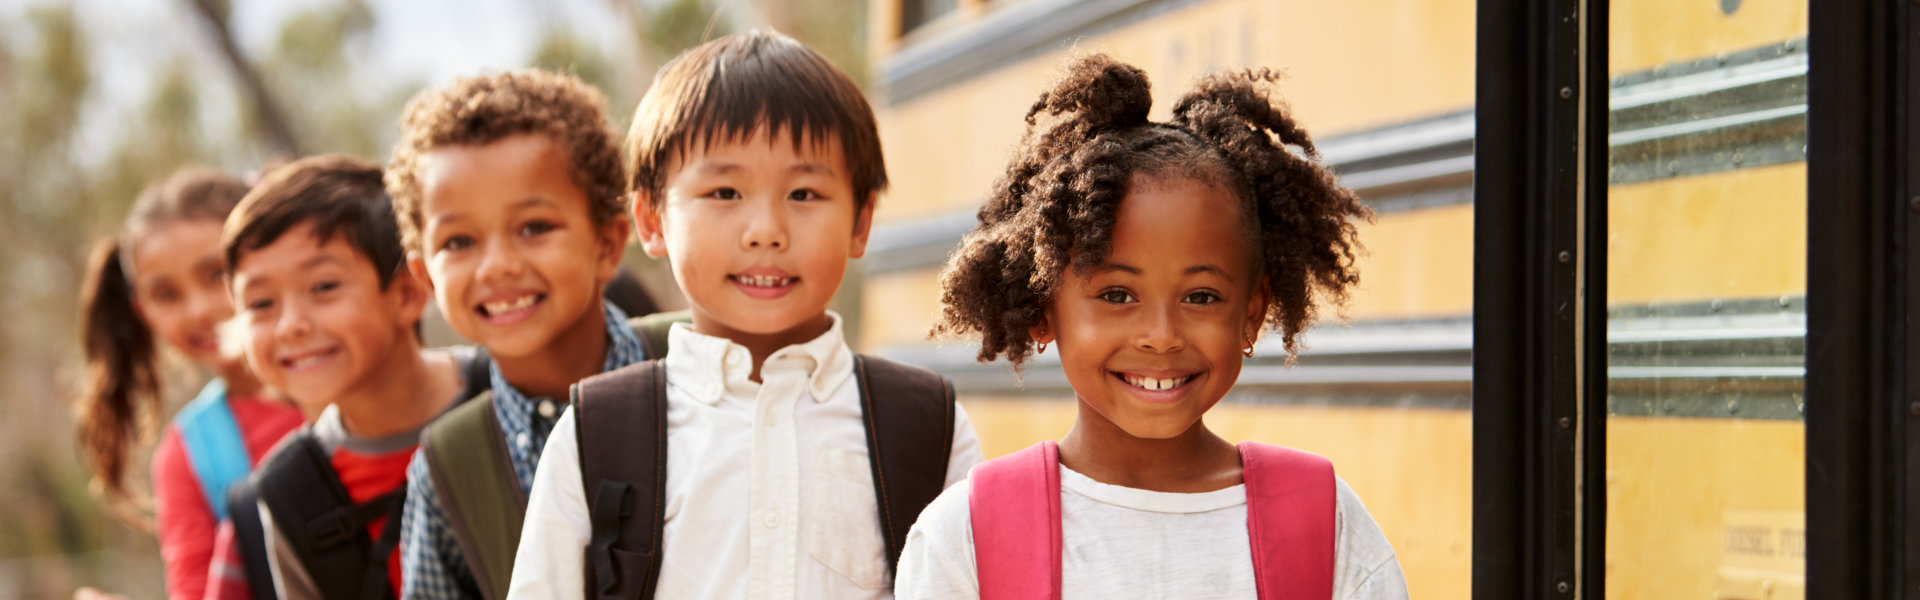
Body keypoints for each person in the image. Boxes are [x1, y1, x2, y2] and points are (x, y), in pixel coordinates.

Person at [894, 54, 1408, 599]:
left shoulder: (1324, 525)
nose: (1161, 334)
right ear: (1043, 307)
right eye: (1117, 294)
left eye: (1201, 296)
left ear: (1251, 313)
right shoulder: (967, 536)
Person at [506, 30, 983, 599]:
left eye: (804, 194)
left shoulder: (926, 425)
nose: (766, 232)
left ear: (860, 222)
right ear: (652, 220)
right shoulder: (597, 432)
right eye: (725, 192)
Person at [387, 69, 649, 600]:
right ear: (425, 278)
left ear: (607, 245)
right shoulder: (447, 474)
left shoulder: (715, 366)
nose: (498, 266)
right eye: (459, 241)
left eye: (534, 227)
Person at [210, 154, 467, 599]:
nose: (291, 325)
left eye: (324, 287)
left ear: (409, 292)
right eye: (260, 304)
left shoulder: (512, 398)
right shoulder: (289, 494)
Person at [74, 167, 303, 600]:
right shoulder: (192, 453)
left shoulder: (352, 381)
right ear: (143, 312)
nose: (198, 309)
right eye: (166, 294)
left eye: (216, 273)